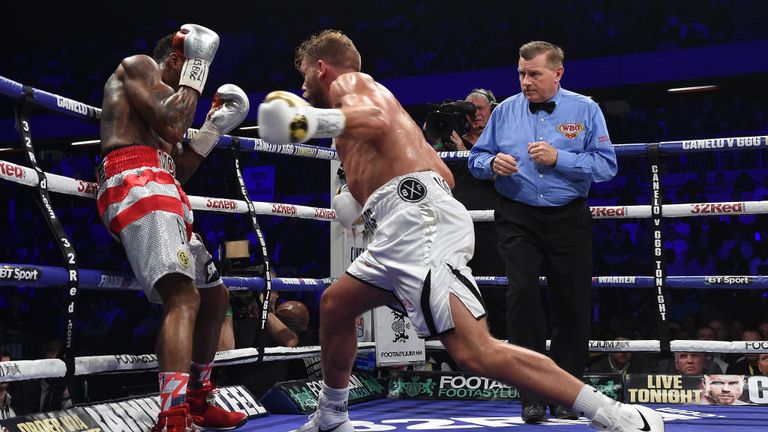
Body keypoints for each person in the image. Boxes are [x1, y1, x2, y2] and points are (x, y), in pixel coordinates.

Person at [257, 29, 663, 432]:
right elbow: (445, 176)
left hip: (419, 225)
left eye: (305, 74)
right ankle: (331, 414)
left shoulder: (351, 85)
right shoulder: (375, 113)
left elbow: (375, 119)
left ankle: (615, 414)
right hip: (408, 220)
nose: (303, 85)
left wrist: (306, 121)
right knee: (335, 305)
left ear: (321, 67)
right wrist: (371, 195)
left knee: (475, 352)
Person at [97, 23, 249, 431]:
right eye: (192, 66)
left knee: (215, 298)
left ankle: (198, 397)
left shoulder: (167, 105)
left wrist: (214, 129)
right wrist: (198, 68)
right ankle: (173, 414)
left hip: (164, 188)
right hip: (135, 182)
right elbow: (173, 125)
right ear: (176, 60)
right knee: (183, 297)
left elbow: (179, 166)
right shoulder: (138, 67)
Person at [468, 40, 617, 422]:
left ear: (557, 73)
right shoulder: (504, 111)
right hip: (517, 215)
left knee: (572, 302)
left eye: (533, 73)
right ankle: (530, 392)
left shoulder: (585, 108)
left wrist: (560, 159)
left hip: (568, 216)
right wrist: (491, 164)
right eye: (521, 73)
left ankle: (568, 394)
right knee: (521, 294)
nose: (525, 81)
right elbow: (476, 158)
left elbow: (606, 167)